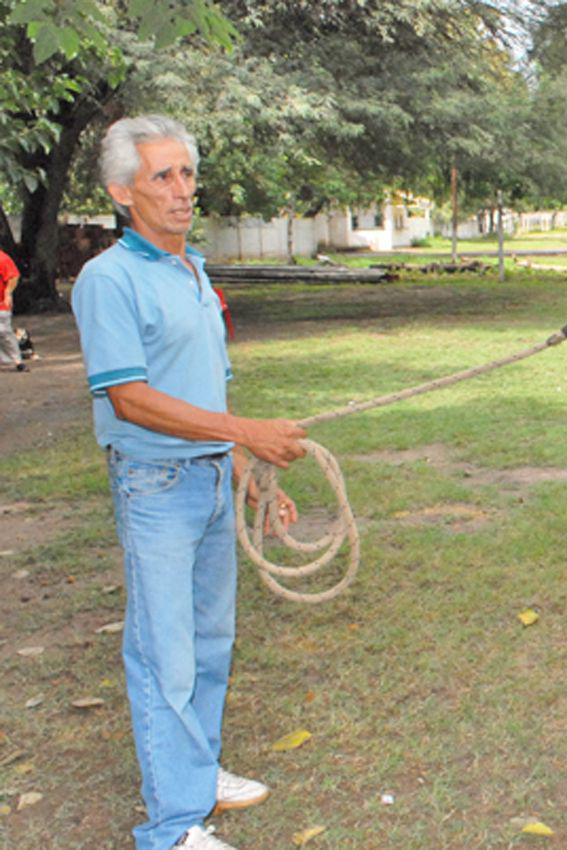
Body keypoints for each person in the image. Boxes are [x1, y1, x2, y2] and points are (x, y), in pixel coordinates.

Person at [71, 115, 308, 850]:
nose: (182, 191)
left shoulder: (192, 269)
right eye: (162, 177)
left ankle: (196, 775)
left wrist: (250, 473)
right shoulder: (106, 280)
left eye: (187, 174)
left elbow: (204, 395)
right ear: (122, 192)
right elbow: (130, 397)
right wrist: (248, 434)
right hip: (155, 485)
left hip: (208, 479)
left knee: (209, 642)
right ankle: (171, 827)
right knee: (162, 654)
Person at [0, 245, 23, 371]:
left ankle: (16, 360)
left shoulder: (3, 259)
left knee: (4, 332)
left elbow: (13, 276)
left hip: (1, 304)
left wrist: (7, 292)